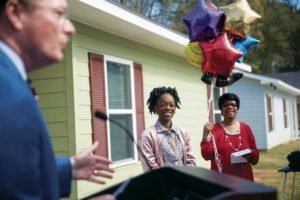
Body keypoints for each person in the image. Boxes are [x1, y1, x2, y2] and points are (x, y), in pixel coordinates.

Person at [0, 0, 115, 199]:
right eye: (59, 14)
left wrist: (69, 167)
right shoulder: (8, 93)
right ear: (16, 13)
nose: (71, 29)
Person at [201, 93, 259, 181]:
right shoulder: (214, 130)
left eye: (233, 105)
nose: (230, 107)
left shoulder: (246, 128)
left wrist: (250, 152)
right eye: (225, 105)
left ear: (237, 110)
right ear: (221, 110)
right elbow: (207, 155)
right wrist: (205, 134)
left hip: (244, 180)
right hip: (221, 180)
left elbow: (255, 159)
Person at [140, 86, 196, 171]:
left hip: (184, 181)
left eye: (172, 105)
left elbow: (191, 160)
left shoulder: (183, 133)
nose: (168, 108)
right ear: (155, 108)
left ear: (175, 107)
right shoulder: (148, 135)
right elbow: (150, 168)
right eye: (163, 105)